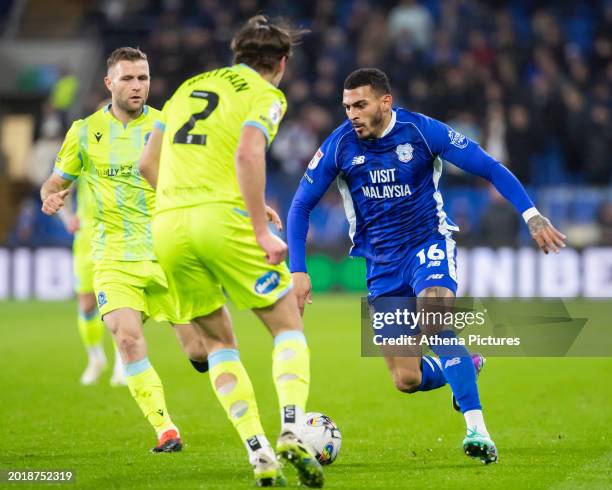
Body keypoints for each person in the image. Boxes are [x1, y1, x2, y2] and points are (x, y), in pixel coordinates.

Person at [287, 68, 566, 465]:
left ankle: (477, 429)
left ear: (385, 101)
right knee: (407, 379)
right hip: (381, 264)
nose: (352, 113)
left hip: (427, 244)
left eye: (361, 105)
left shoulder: (422, 132)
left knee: (435, 319)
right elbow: (300, 206)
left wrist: (531, 215)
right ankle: (465, 365)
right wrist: (298, 269)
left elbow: (488, 167)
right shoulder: (339, 146)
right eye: (347, 106)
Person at [139, 16, 323, 487]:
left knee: (219, 343)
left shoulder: (184, 89)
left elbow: (147, 163)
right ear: (281, 63)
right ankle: (290, 430)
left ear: (236, 54)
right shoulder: (265, 95)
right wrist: (260, 229)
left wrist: (193, 201)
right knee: (287, 323)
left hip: (168, 224)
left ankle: (258, 454)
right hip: (219, 219)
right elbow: (247, 152)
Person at [40, 47, 209, 453]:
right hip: (113, 257)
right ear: (109, 83)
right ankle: (165, 429)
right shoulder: (84, 131)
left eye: (144, 78)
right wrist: (51, 197)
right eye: (129, 79)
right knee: (128, 340)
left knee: (200, 352)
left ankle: (208, 363)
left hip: (166, 253)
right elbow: (54, 182)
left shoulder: (168, 126)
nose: (138, 86)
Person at [59, 177, 125, 385]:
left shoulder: (127, 149)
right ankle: (96, 358)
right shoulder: (84, 147)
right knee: (87, 304)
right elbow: (59, 185)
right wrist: (67, 217)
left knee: (118, 302)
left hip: (117, 237)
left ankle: (122, 365)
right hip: (86, 239)